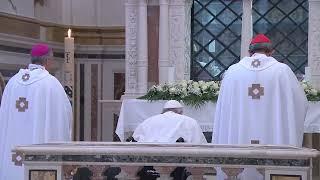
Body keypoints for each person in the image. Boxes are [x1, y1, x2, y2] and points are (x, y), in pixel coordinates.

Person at [212, 34, 308, 179]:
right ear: (271, 52)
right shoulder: (282, 71)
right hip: (273, 140)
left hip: (239, 139)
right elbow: (300, 103)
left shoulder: (232, 71)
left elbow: (223, 108)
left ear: (250, 52)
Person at [0, 43, 72, 180]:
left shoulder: (12, 83)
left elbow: (3, 122)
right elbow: (63, 118)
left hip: (13, 156)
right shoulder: (51, 84)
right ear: (47, 61)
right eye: (52, 59)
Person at [133, 100, 207, 144]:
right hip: (180, 160)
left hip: (150, 158)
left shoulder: (148, 121)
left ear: (163, 111)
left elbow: (136, 138)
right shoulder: (189, 121)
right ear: (180, 112)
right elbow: (199, 142)